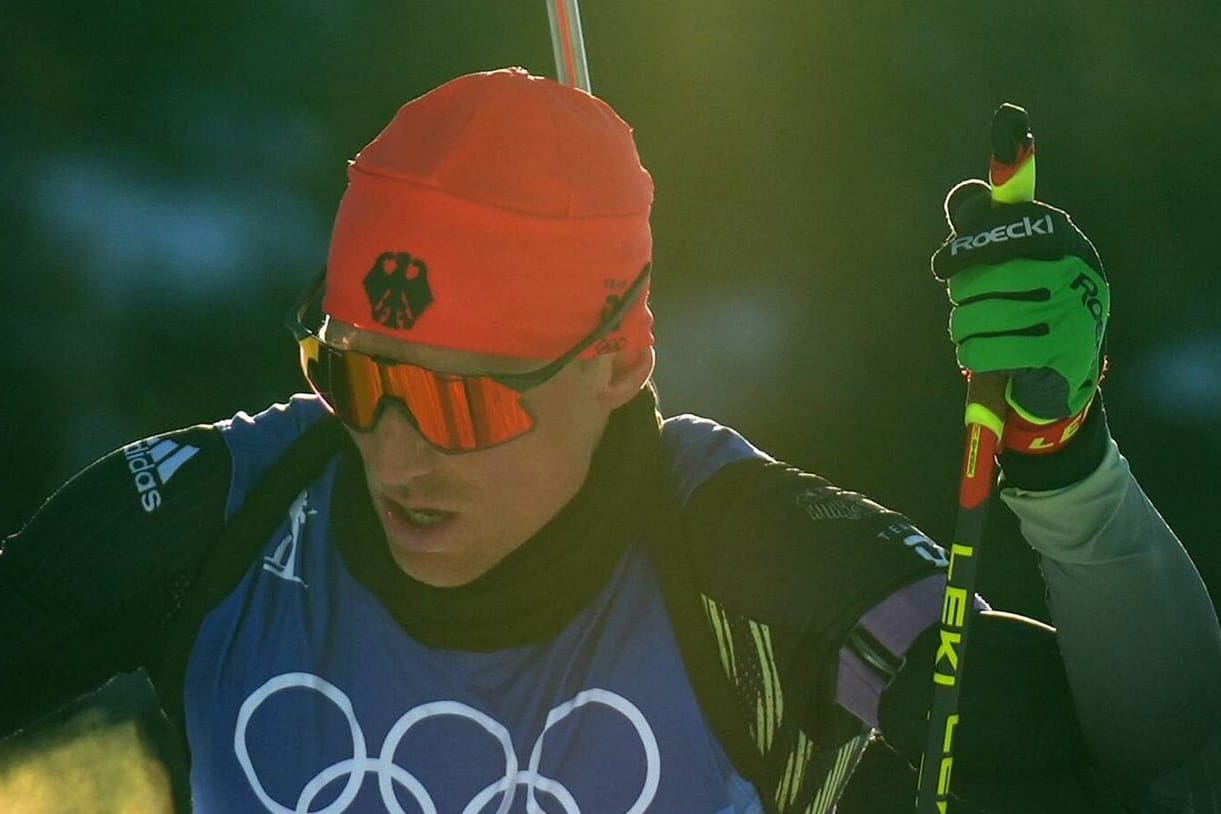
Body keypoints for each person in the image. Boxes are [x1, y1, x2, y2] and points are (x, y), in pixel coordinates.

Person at [1, 66, 1218, 814]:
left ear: (619, 364)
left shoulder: (745, 561)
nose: (396, 456)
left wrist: (1064, 463)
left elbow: (1158, 758)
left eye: (469, 405)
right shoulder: (218, 517)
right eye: (358, 378)